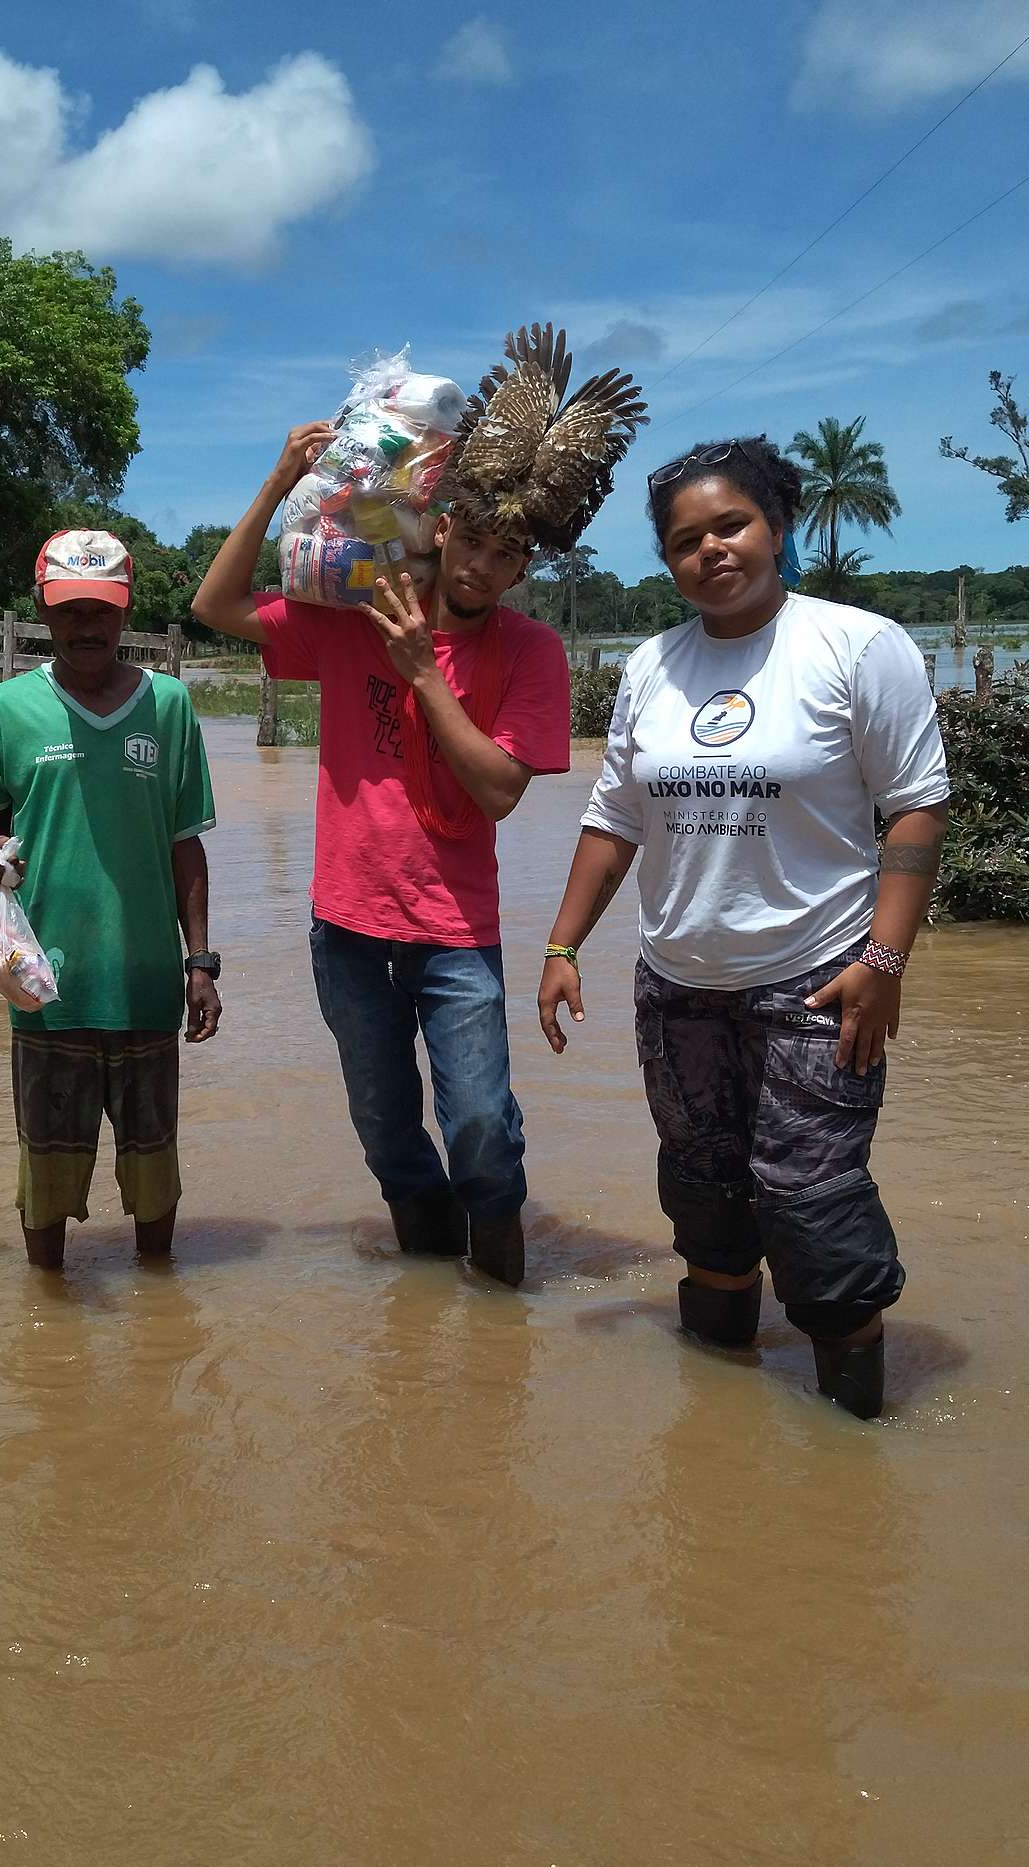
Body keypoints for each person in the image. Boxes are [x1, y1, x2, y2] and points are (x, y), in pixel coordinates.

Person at [191, 325, 646, 1287]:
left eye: (507, 554)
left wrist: (423, 676)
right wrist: (277, 485)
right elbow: (215, 607)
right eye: (473, 540)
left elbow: (501, 791)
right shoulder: (359, 612)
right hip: (346, 925)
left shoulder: (529, 652)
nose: (484, 566)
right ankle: (435, 1308)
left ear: (526, 567)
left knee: (482, 1123)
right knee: (387, 1129)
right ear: (441, 528)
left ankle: (501, 1301)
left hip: (452, 931)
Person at [535, 436, 949, 1418]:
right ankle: (719, 1445)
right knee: (706, 1200)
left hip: (816, 976)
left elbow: (917, 807)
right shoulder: (651, 665)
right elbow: (614, 818)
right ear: (667, 560)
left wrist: (883, 961)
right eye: (686, 540)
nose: (712, 550)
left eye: (732, 525)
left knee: (814, 1212)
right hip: (676, 985)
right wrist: (561, 947)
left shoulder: (855, 647)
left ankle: (855, 1444)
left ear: (775, 527)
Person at [0, 529, 220, 1269]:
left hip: (144, 984)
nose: (86, 627)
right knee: (44, 1185)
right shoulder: (4, 711)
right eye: (70, 609)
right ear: (44, 612)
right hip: (44, 983)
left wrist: (199, 961)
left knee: (155, 1183)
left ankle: (157, 1323)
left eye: (101, 610)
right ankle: (48, 1330)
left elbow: (185, 843)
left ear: (126, 610)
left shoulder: (169, 707)